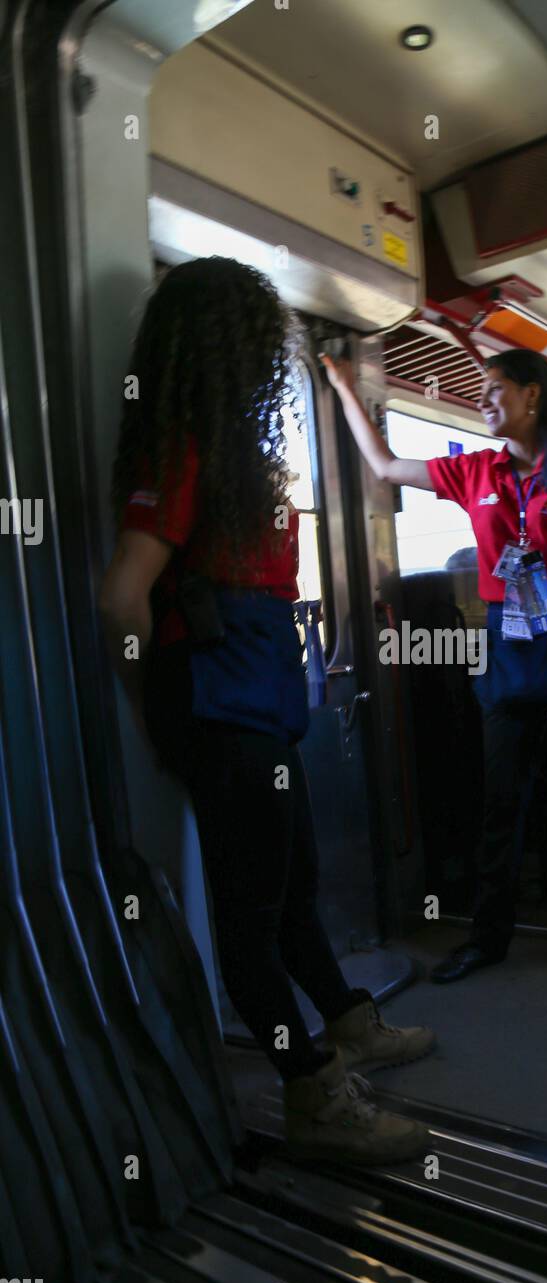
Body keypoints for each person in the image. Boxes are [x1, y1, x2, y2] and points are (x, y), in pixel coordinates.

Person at [98, 256, 432, 1166]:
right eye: (255, 346)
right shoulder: (180, 447)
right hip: (223, 708)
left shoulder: (228, 452)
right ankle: (311, 1090)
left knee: (293, 886)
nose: (264, 365)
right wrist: (152, 714)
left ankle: (347, 1024)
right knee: (250, 923)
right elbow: (123, 596)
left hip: (263, 703)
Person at [322, 346, 547, 1008]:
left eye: (495, 389)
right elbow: (386, 465)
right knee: (500, 802)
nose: (483, 400)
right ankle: (488, 937)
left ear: (534, 396)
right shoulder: (476, 470)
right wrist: (338, 386)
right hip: (509, 642)